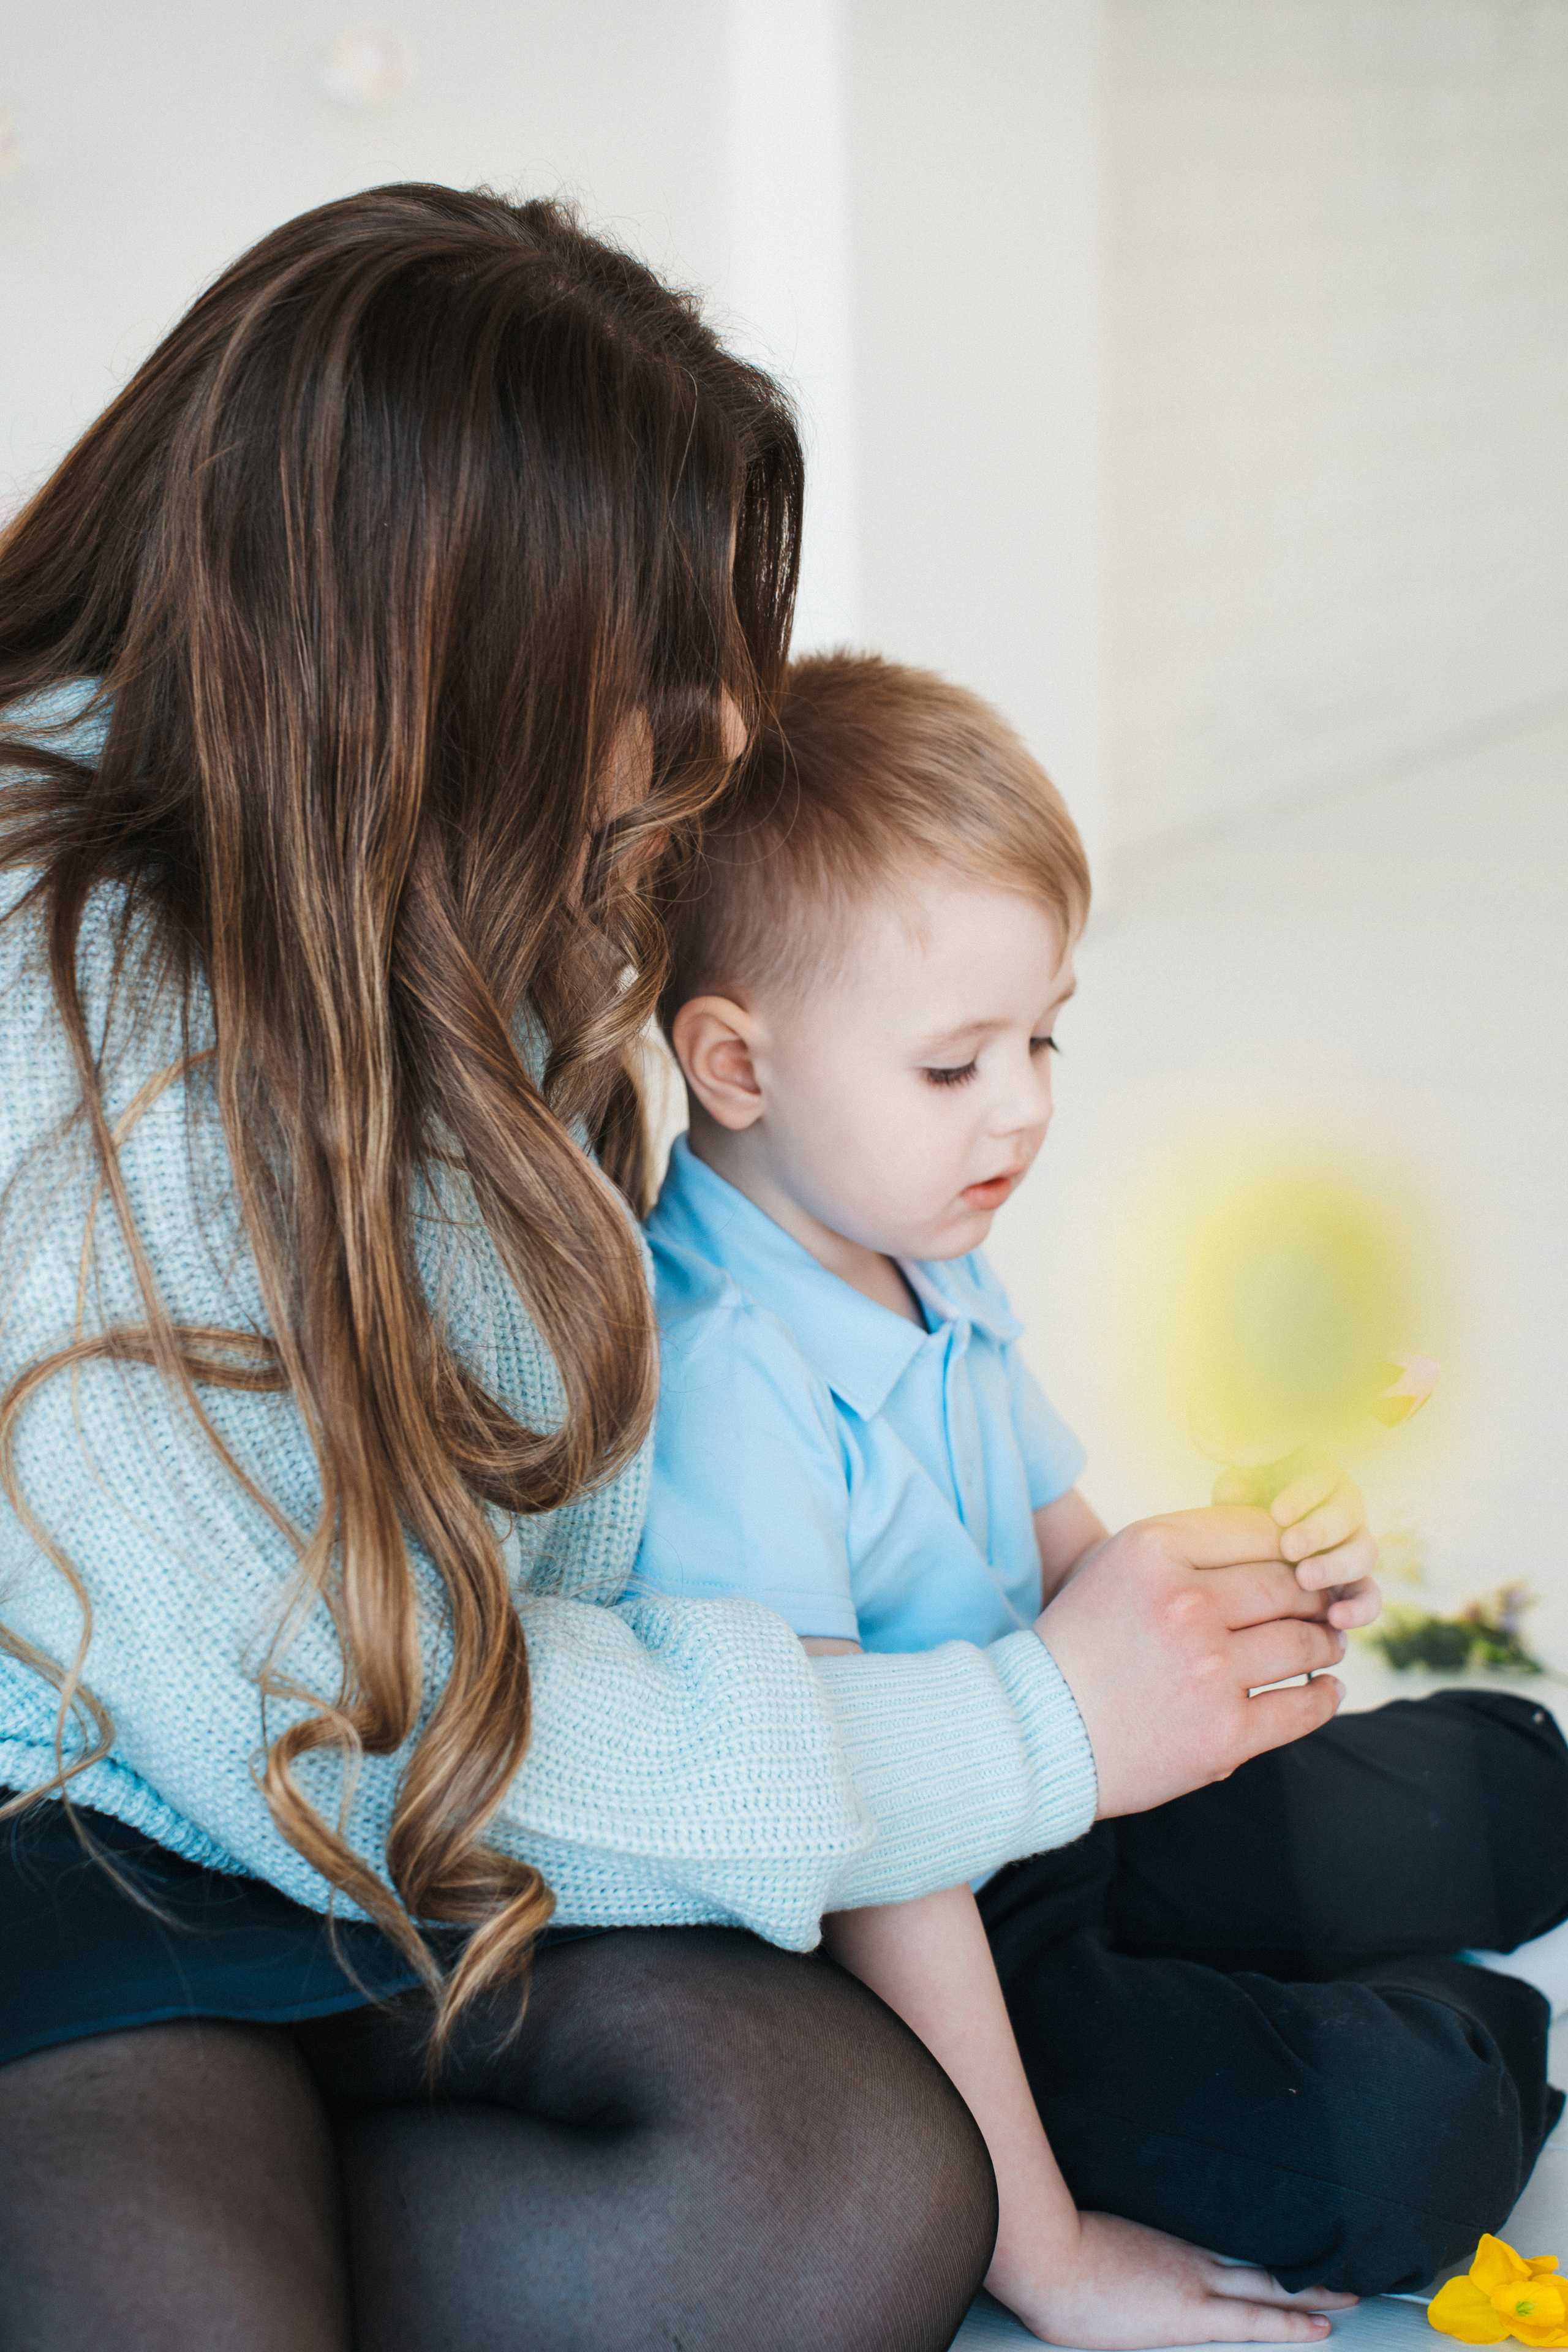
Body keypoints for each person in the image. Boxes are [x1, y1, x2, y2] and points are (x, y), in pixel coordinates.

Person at [0, 184, 1359, 2352]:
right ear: (430, 666)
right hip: (90, 1833)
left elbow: (530, 1593)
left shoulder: (433, 884)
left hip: (398, 1824)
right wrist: (1029, 1725)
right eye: (660, 674)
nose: (720, 726)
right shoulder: (70, 1012)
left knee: (850, 2187)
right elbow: (352, 1728)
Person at [637, 649, 1568, 2342]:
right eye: (956, 1066)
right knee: (1402, 2152)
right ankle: (1435, 2028)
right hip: (936, 1941)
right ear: (738, 1066)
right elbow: (876, 1844)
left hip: (1081, 1782)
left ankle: (1346, 1961)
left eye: (1045, 1039)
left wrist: (1258, 1582)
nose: (1027, 1106)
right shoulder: (722, 1381)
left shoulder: (911, 1232)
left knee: (1514, 1775)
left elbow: (1069, 1556)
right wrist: (1046, 2252)